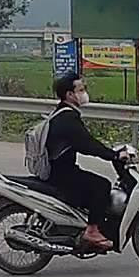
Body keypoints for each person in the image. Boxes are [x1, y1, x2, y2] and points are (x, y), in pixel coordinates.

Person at [44, 71, 125, 251]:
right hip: (63, 174)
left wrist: (109, 152)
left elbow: (86, 142)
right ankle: (92, 231)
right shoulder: (67, 118)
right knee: (102, 185)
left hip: (60, 170)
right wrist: (113, 155)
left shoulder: (63, 113)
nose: (84, 93)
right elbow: (87, 144)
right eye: (80, 90)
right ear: (69, 95)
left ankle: (84, 224)